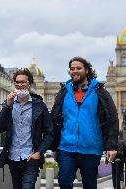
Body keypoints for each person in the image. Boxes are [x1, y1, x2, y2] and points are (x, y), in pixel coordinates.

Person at [51, 56, 119, 189]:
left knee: (90, 185)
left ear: (87, 70)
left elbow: (111, 119)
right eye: (72, 69)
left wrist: (112, 146)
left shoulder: (100, 92)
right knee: (64, 182)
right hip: (66, 147)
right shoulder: (63, 92)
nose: (75, 71)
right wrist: (54, 146)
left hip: (91, 148)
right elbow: (54, 118)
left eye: (78, 68)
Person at [0, 68, 53, 189]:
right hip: (13, 157)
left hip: (31, 157)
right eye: (17, 82)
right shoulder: (8, 104)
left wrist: (39, 152)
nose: (19, 85)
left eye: (23, 82)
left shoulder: (39, 105)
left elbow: (49, 133)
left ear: (29, 84)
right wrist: (7, 106)